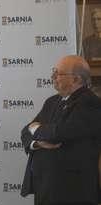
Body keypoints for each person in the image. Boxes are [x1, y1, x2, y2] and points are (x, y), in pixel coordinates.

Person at [20, 55, 101, 205]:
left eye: (58, 73)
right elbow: (25, 132)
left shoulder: (90, 103)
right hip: (45, 187)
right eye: (53, 72)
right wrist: (37, 143)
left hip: (72, 190)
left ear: (76, 79)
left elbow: (59, 133)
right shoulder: (52, 101)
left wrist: (36, 128)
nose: (52, 77)